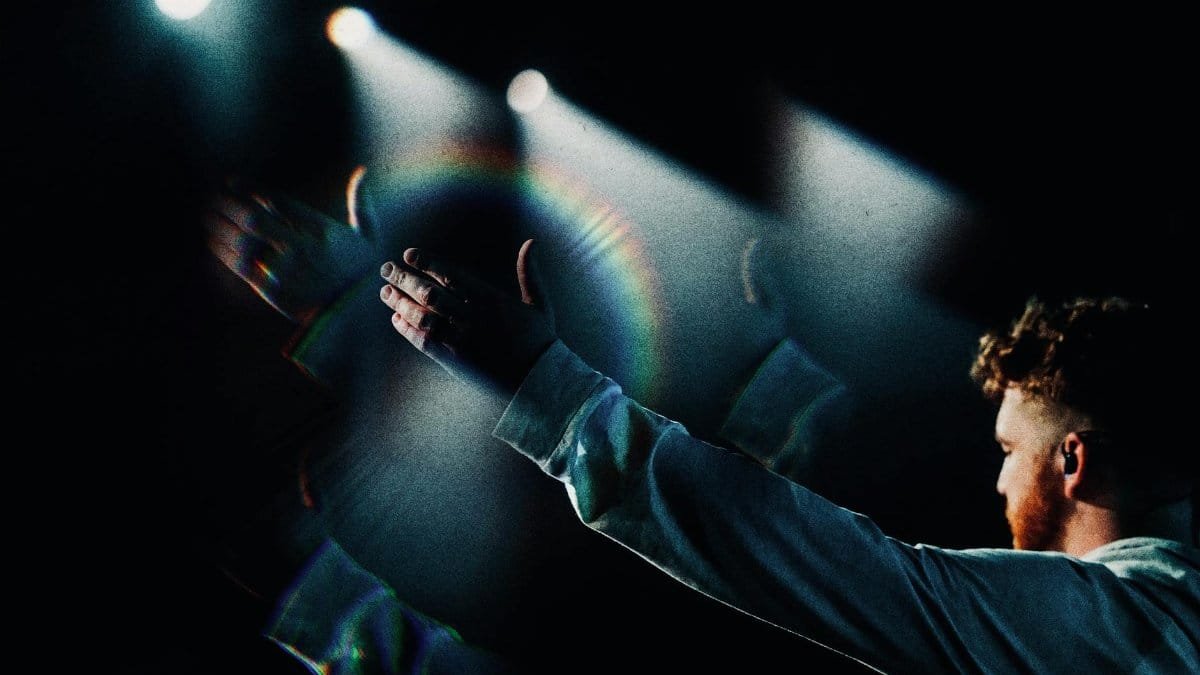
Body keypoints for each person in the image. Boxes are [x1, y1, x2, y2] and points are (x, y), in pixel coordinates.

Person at [364, 242, 1199, 673]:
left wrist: (553, 394)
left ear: (1073, 460)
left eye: (1011, 449)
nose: (997, 479)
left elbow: (834, 563)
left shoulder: (1112, 627)